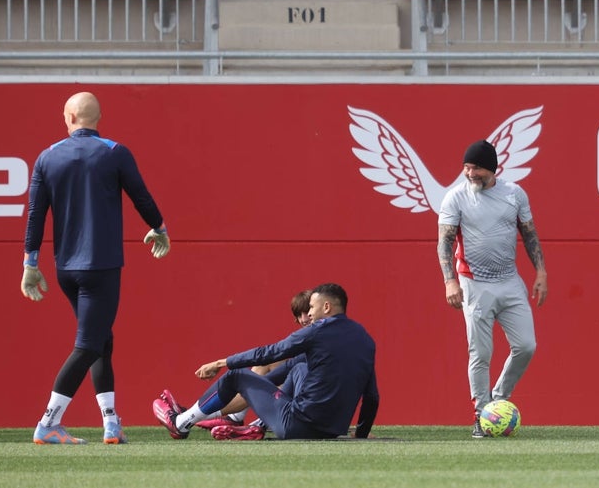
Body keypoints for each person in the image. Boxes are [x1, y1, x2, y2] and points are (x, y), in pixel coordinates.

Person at [22, 91, 170, 445]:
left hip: (65, 269)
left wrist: (30, 262)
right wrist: (159, 227)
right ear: (97, 118)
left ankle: (110, 422)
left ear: (69, 117)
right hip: (100, 266)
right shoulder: (113, 152)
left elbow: (35, 214)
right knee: (89, 344)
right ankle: (48, 423)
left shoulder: (47, 157)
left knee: (102, 339)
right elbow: (141, 196)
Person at [153, 283, 379, 440]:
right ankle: (249, 421)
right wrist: (360, 433)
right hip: (331, 431)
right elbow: (372, 397)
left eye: (311, 307)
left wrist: (222, 362)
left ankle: (181, 423)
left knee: (237, 376)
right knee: (298, 367)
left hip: (296, 426)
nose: (308, 313)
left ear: (327, 307)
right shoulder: (366, 339)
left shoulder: (316, 332)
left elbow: (269, 353)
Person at [437, 139, 547, 438]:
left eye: (476, 168)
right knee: (481, 352)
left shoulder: (514, 194)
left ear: (492, 168)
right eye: (466, 167)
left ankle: (499, 398)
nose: (470, 173)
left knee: (526, 346)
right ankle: (481, 413)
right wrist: (450, 281)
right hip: (474, 284)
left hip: (510, 282)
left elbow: (529, 233)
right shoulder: (455, 198)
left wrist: (540, 271)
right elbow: (445, 242)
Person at [162, 289, 313, 439]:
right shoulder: (317, 338)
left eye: (307, 311)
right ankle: (234, 418)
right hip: (311, 415)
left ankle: (188, 418)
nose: (304, 319)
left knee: (269, 376)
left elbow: (270, 354)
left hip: (307, 419)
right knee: (266, 368)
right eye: (299, 315)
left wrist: (223, 365)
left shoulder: (320, 341)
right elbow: (272, 359)